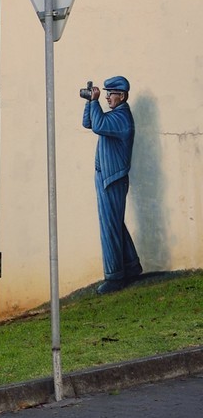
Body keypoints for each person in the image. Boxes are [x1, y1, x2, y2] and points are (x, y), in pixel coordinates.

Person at [82, 75, 142, 294]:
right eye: (105, 93)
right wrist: (90, 101)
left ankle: (115, 277)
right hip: (106, 177)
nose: (107, 97)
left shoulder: (122, 118)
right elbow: (88, 122)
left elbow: (98, 125)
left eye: (111, 94)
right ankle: (131, 266)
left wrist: (95, 101)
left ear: (122, 96)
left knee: (109, 227)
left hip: (113, 178)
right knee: (114, 223)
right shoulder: (114, 115)